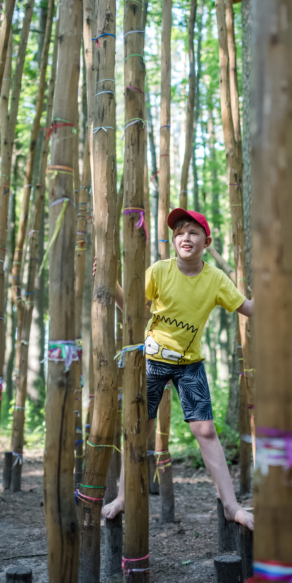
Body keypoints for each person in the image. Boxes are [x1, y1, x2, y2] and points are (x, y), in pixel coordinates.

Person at [98, 207, 254, 531]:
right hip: (152, 359)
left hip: (189, 364)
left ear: (206, 242)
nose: (186, 237)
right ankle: (123, 498)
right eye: (180, 232)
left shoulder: (215, 279)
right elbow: (132, 310)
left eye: (194, 232)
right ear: (173, 241)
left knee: (206, 430)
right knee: (140, 429)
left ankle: (231, 505)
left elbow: (248, 308)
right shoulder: (159, 271)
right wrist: (110, 283)